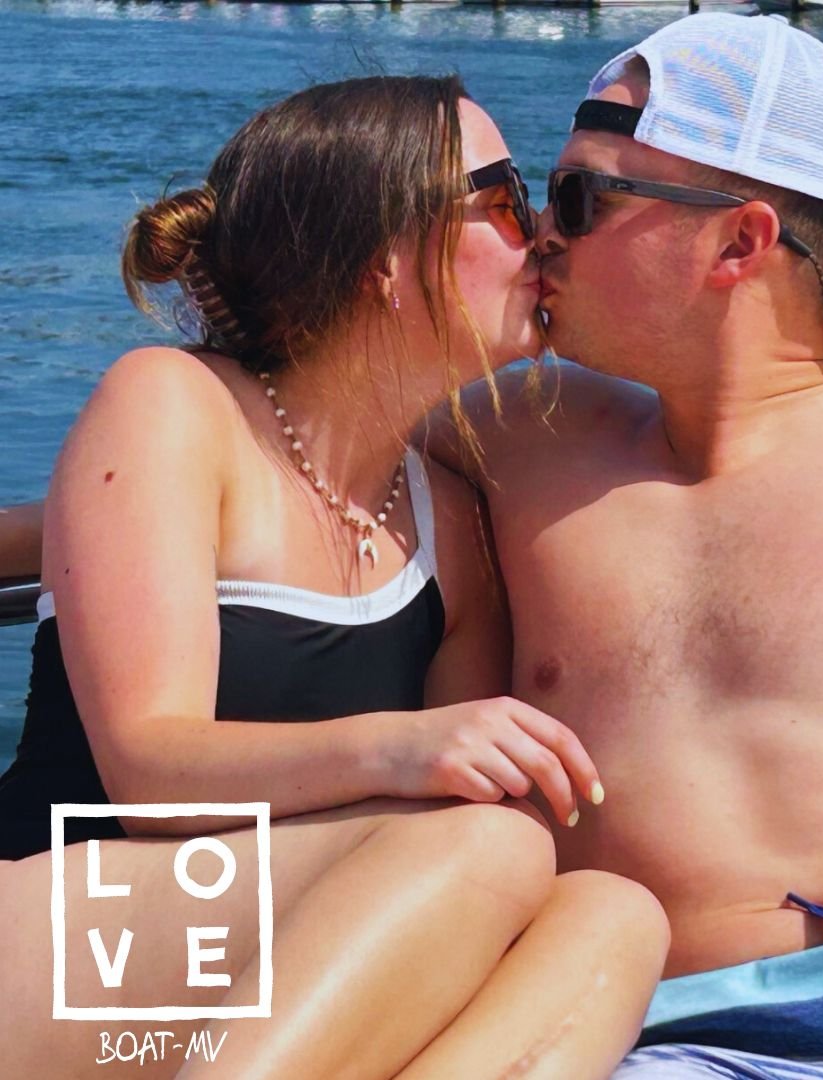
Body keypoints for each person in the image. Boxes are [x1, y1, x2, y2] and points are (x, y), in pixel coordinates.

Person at [423, 13, 823, 1079]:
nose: (540, 233)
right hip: (678, 1032)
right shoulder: (513, 437)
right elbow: (271, 434)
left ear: (740, 240)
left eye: (582, 199)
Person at [0, 75, 669, 1079]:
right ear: (386, 260)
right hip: (63, 920)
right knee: (494, 851)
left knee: (613, 916)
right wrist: (408, 747)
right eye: (503, 202)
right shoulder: (174, 408)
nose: (541, 239)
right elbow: (149, 775)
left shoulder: (447, 516)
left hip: (268, 964)